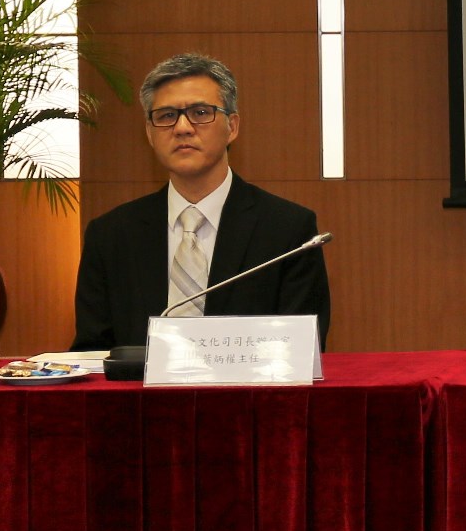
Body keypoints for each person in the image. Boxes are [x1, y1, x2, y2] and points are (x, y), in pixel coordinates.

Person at [72, 53, 332, 349]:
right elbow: (91, 352)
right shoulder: (110, 235)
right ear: (149, 133)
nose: (182, 127)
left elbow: (301, 349)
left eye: (200, 112)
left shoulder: (288, 231)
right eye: (166, 116)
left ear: (232, 127)